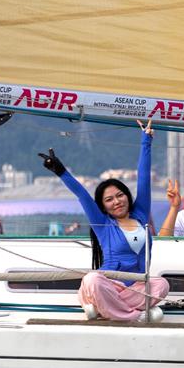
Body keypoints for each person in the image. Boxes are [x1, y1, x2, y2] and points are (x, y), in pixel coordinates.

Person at [40, 119, 169, 322]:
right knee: (92, 280)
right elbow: (82, 195)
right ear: (103, 206)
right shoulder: (102, 224)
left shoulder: (140, 214)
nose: (116, 202)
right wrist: (61, 172)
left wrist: (146, 140)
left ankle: (105, 308)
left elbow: (144, 179)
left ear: (127, 195)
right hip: (108, 284)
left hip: (136, 285)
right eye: (109, 199)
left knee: (161, 284)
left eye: (119, 195)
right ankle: (134, 315)